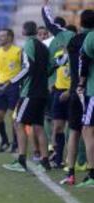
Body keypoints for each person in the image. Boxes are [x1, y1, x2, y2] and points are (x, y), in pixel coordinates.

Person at [2, 21, 51, 173]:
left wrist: (12, 81)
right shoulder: (43, 46)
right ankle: (45, 161)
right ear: (36, 31)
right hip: (42, 91)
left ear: (23, 31)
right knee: (39, 126)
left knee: (18, 122)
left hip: (30, 92)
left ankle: (21, 160)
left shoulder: (29, 44)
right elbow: (49, 67)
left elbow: (28, 67)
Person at [60, 9, 94, 185]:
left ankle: (72, 172)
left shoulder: (74, 41)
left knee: (76, 132)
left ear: (80, 22)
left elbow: (82, 64)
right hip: (85, 91)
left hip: (81, 91)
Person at [41, 0, 76, 169]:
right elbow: (50, 23)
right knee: (58, 126)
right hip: (58, 90)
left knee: (76, 129)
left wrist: (72, 89)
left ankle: (76, 160)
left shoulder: (77, 44)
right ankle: (58, 158)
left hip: (74, 92)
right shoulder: (60, 51)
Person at [0, 28, 21, 153]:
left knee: (13, 117)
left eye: (3, 36)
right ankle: (4, 141)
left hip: (14, 86)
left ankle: (15, 143)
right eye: (0, 36)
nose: (0, 38)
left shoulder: (18, 51)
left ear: (10, 37)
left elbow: (24, 70)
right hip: (0, 87)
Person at [76, 23, 94, 188]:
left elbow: (84, 59)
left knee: (87, 130)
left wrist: (81, 83)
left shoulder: (91, 37)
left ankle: (92, 173)